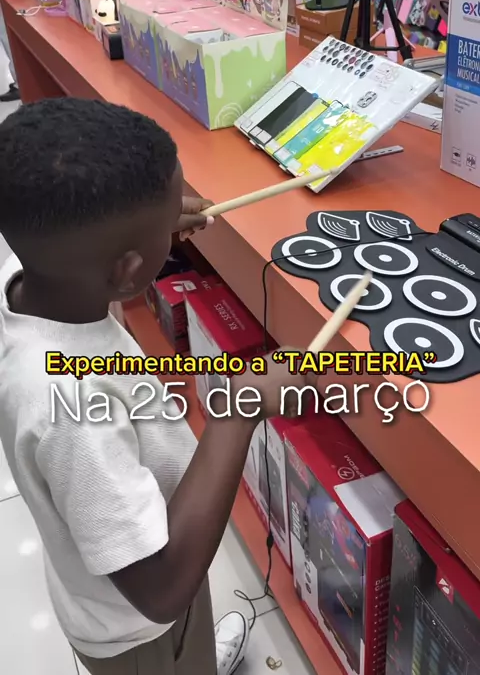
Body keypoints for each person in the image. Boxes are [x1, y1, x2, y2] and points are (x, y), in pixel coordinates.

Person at [0, 97, 302, 675]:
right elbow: (161, 590)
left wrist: (150, 229)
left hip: (132, 557)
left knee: (190, 639)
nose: (176, 226)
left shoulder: (31, 279)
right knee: (177, 643)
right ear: (127, 270)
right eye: (168, 226)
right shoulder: (71, 408)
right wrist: (239, 410)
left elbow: (91, 254)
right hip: (136, 631)